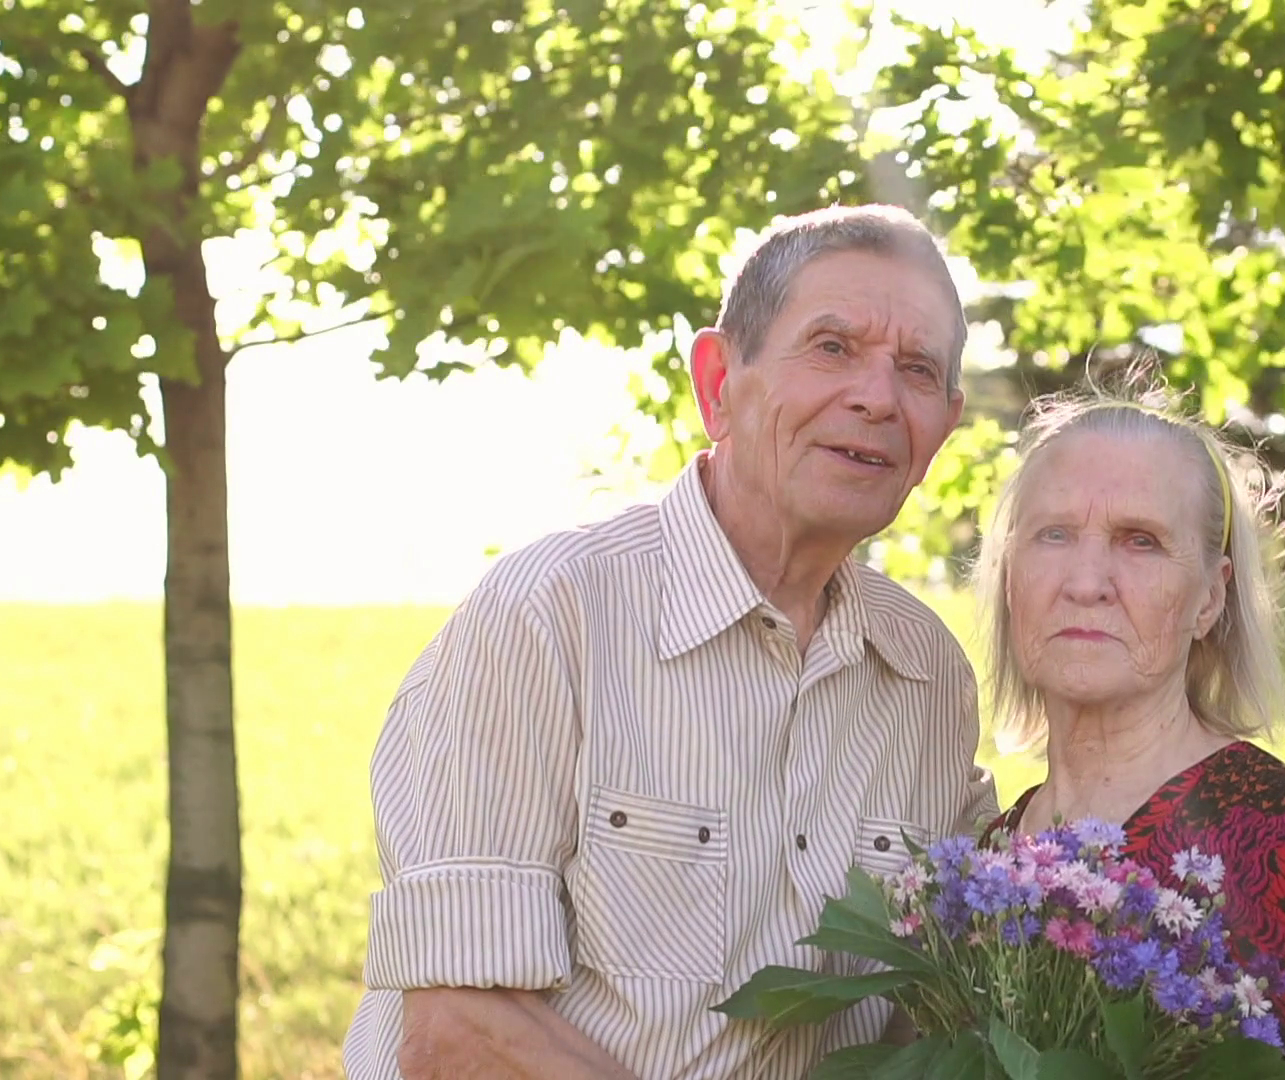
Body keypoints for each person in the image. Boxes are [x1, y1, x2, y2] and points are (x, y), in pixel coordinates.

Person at [342, 204, 998, 1080]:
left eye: (915, 370)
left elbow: (947, 1014)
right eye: (832, 347)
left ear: (941, 431)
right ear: (718, 382)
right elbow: (460, 1033)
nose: (877, 397)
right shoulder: (550, 616)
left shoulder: (926, 678)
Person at [973, 383, 1285, 1079]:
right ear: (1011, 577)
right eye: (1055, 535)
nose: (1087, 580)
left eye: (1141, 542)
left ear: (1210, 597)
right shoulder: (988, 859)